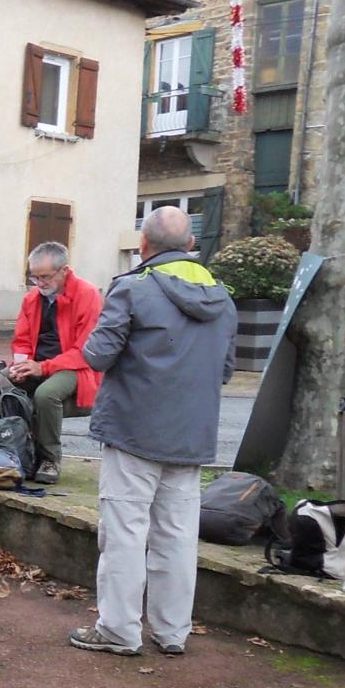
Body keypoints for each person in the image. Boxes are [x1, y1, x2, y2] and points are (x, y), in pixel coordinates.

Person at [71, 205, 237, 657]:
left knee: (125, 533)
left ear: (143, 246)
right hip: (190, 437)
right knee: (178, 537)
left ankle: (119, 630)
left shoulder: (132, 288)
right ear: (189, 247)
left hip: (133, 430)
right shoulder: (222, 297)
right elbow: (224, 370)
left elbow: (98, 355)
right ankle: (172, 632)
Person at [0, 241, 103, 485]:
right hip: (36, 364)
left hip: (74, 366)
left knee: (46, 394)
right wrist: (20, 364)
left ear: (64, 271)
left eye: (45, 277)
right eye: (34, 277)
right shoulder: (32, 299)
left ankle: (49, 459)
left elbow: (85, 350)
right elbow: (21, 340)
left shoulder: (88, 295)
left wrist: (43, 367)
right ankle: (3, 450)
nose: (40, 283)